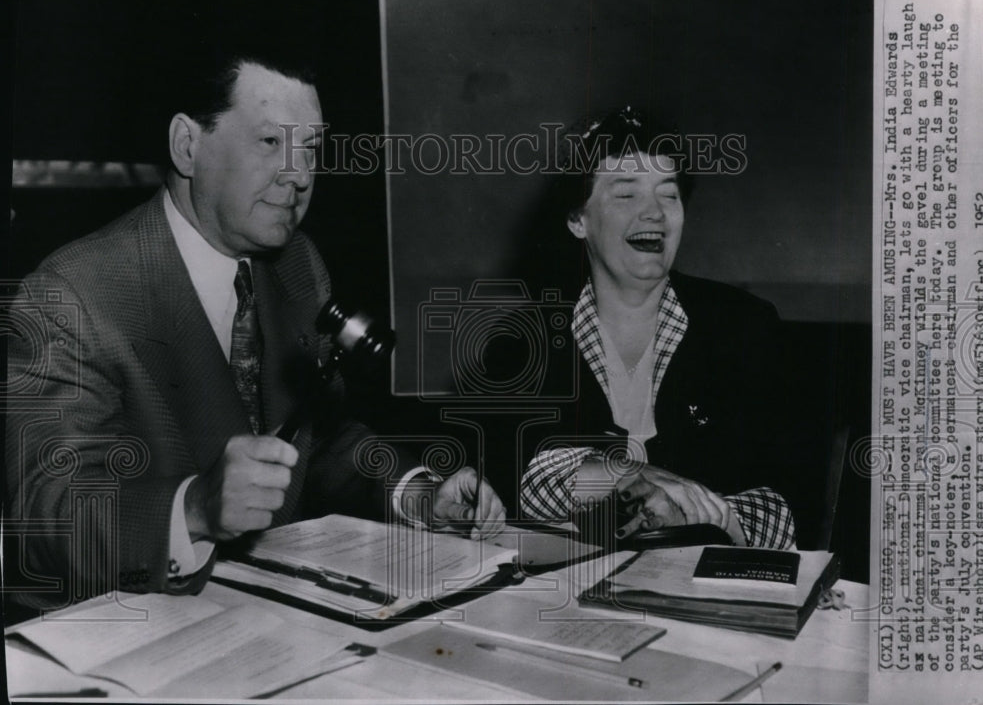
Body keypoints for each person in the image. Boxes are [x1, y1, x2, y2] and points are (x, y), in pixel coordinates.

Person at [4, 51, 505, 610]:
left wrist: (415, 493)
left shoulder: (297, 265)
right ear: (186, 146)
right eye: (271, 143)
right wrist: (195, 507)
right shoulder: (74, 293)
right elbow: (46, 516)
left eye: (311, 147)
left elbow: (321, 439)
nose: (300, 174)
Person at [517, 106, 796, 549]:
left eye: (669, 195)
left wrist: (688, 513)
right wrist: (623, 477)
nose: (655, 214)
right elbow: (520, 479)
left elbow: (788, 503)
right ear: (578, 220)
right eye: (626, 194)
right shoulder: (523, 342)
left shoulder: (745, 327)